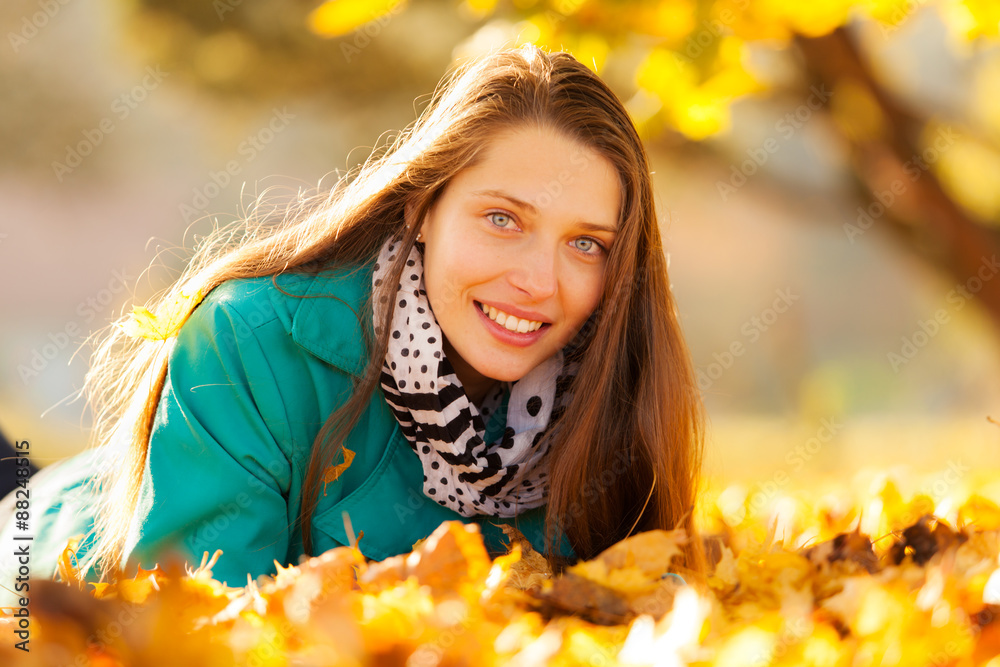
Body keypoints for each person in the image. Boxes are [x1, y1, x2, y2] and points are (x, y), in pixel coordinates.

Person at [0, 44, 706, 599]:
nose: (538, 281)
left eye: (586, 243)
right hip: (41, 555)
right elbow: (198, 619)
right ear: (422, 206)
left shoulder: (612, 390)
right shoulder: (245, 339)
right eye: (502, 218)